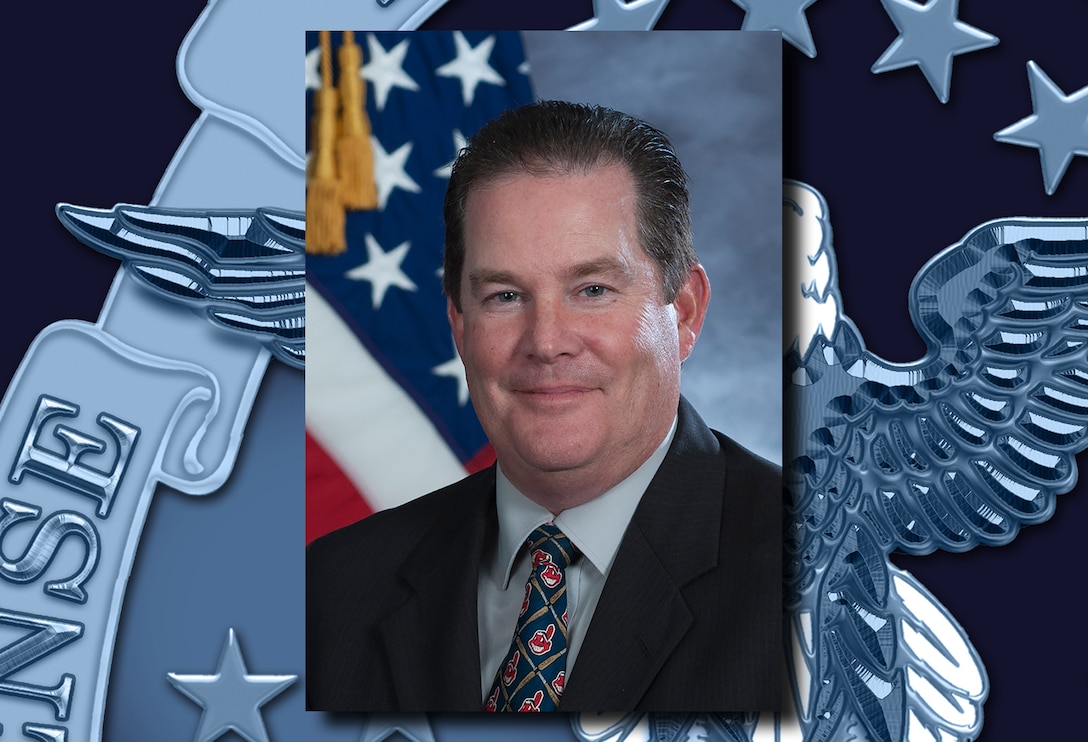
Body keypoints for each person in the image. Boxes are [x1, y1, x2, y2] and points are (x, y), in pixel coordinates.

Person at [306, 101, 782, 712]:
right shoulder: (337, 586)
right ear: (458, 324)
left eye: (592, 290)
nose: (546, 342)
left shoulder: (818, 579)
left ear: (684, 311)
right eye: (505, 296)